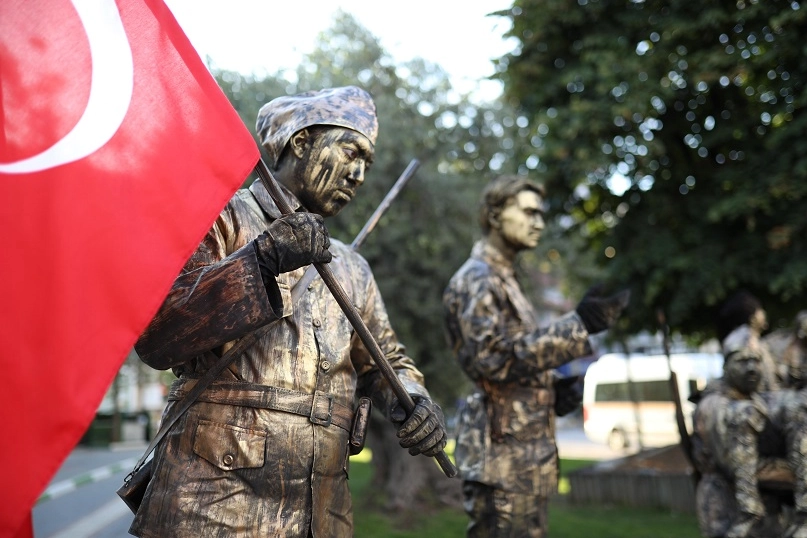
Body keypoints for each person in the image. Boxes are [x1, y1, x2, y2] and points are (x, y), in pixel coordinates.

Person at [129, 86, 447, 538]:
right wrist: (258, 260)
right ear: (301, 142)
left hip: (321, 510)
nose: (357, 174)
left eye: (367, 165)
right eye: (350, 151)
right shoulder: (220, 217)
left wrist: (414, 400)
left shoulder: (353, 268)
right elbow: (158, 335)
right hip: (213, 502)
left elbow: (387, 362)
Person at [442, 175, 628, 538]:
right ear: (495, 216)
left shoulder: (505, 278)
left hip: (522, 456)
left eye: (541, 214)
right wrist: (579, 325)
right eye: (528, 212)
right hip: (502, 459)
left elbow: (513, 362)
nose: (538, 222)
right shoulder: (478, 278)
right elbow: (493, 359)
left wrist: (553, 392)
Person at [692, 324, 807, 538]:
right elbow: (738, 466)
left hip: (770, 517)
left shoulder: (760, 399)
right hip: (729, 510)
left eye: (756, 360)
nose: (752, 368)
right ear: (726, 365)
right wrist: (797, 471)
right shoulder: (714, 406)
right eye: (743, 361)